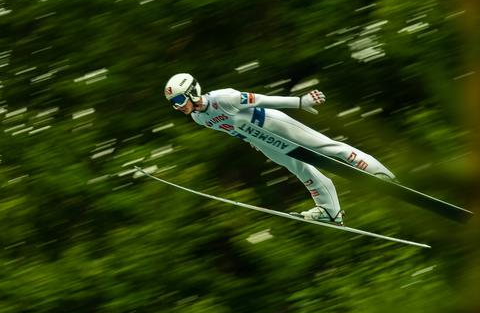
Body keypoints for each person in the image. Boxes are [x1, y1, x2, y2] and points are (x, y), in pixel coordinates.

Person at [163, 73, 396, 225]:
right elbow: (231, 128)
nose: (178, 107)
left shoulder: (224, 97)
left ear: (192, 92)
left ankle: (379, 172)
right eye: (174, 104)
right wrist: (251, 140)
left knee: (326, 147)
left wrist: (300, 102)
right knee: (301, 170)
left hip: (271, 122)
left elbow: (263, 100)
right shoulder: (198, 118)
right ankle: (329, 211)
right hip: (261, 139)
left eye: (179, 101)